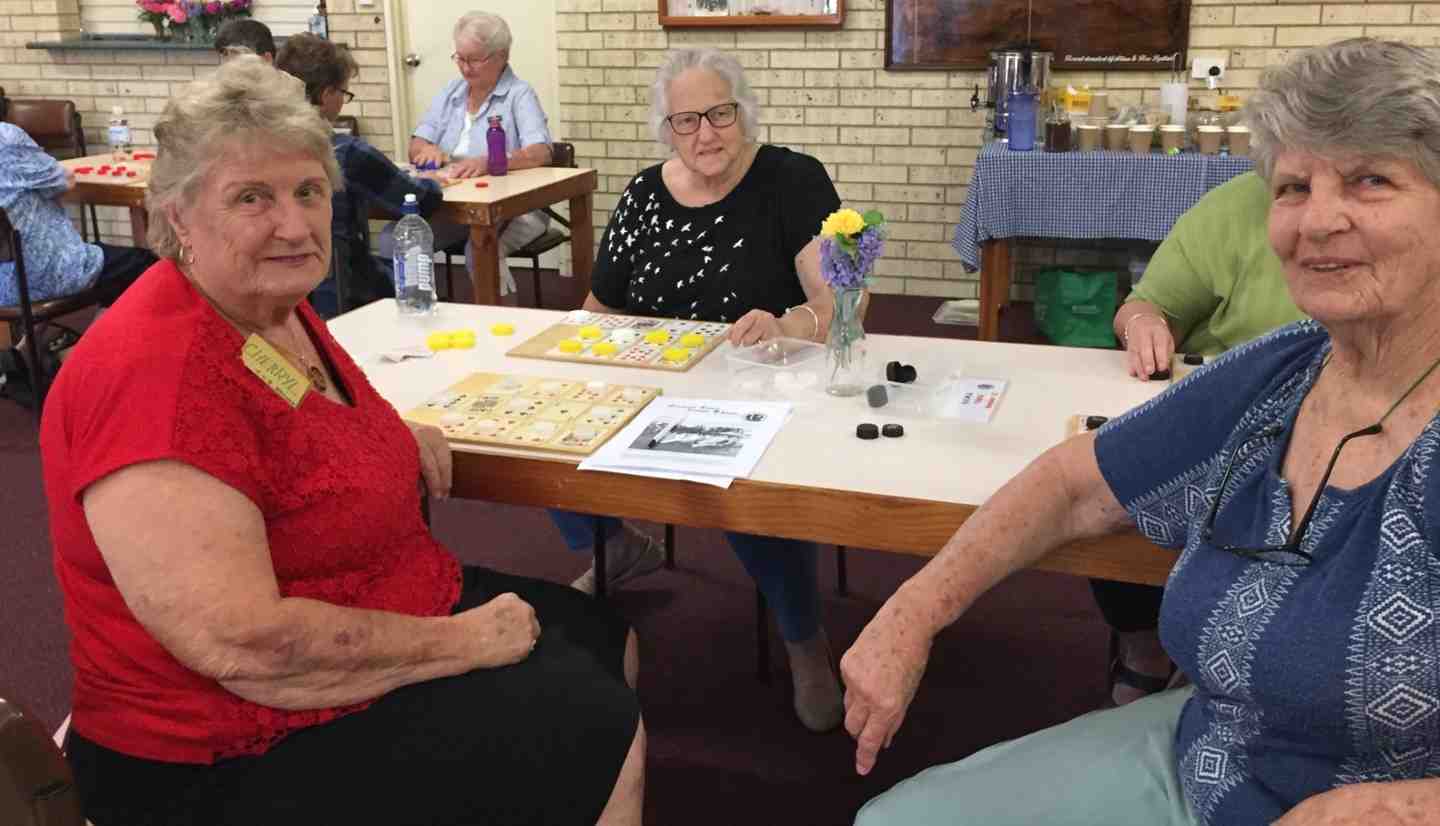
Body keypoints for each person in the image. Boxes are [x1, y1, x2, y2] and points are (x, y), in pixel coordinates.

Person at [844, 38, 1440, 825]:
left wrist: (1406, 806)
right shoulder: (1281, 373)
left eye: (1370, 180)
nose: (1319, 220)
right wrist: (911, 612)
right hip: (1212, 756)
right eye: (1293, 187)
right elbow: (1075, 484)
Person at [40, 57, 643, 826]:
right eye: (252, 197)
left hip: (361, 596)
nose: (293, 224)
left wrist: (389, 435)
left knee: (607, 640)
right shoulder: (152, 374)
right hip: (215, 746)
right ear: (179, 215)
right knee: (602, 727)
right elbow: (246, 646)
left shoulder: (266, 306)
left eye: (309, 191)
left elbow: (291, 408)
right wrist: (459, 644)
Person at [551, 47, 846, 733]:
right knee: (541, 437)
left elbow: (840, 306)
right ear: (667, 127)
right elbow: (602, 306)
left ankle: (805, 640)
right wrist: (562, 359)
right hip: (656, 381)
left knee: (745, 488)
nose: (705, 134)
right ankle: (619, 541)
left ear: (743, 112)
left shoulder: (793, 182)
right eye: (686, 121)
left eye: (719, 114)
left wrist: (784, 323)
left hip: (764, 386)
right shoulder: (644, 193)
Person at [1101, 172, 1309, 705]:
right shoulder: (1240, 203)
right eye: (1298, 185)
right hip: (1232, 411)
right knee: (1119, 478)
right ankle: (1143, 641)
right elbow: (1145, 304)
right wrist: (1144, 323)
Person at [275, 32, 446, 318]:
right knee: (412, 280)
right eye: (343, 93)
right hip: (343, 294)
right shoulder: (347, 153)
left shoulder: (265, 150)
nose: (343, 100)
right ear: (327, 93)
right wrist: (433, 183)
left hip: (289, 301)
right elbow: (420, 200)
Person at [399, 11, 551, 297]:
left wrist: (489, 162)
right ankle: (419, 316)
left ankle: (508, 328)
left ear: (502, 56)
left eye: (475, 60)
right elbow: (416, 144)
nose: (466, 68)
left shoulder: (520, 94)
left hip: (515, 208)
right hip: (456, 207)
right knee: (400, 241)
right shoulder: (451, 92)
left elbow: (541, 152)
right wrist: (425, 148)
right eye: (460, 58)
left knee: (480, 248)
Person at [0, 122, 155, 308]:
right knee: (149, 266)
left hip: (5, 283)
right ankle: (107, 333)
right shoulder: (6, 137)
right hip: (48, 276)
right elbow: (63, 181)